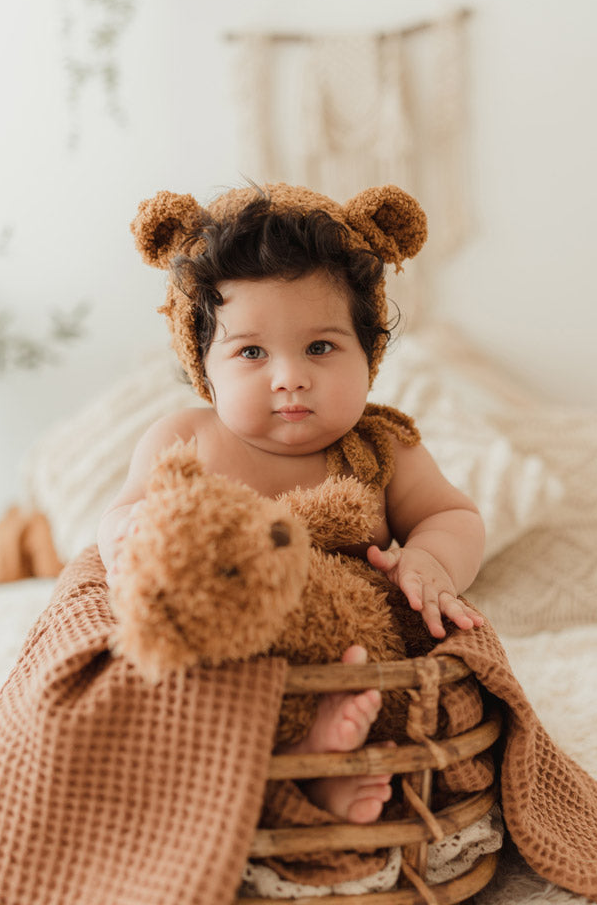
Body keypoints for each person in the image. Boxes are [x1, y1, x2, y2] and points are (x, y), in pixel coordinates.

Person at [98, 182, 486, 824]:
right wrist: (131, 532)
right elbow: (123, 517)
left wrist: (431, 559)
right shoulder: (184, 440)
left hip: (345, 652)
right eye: (251, 352)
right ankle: (270, 773)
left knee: (435, 670)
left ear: (370, 355)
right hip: (223, 656)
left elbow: (454, 516)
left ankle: (326, 764)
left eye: (321, 347)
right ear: (205, 366)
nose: (289, 376)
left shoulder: (383, 450)